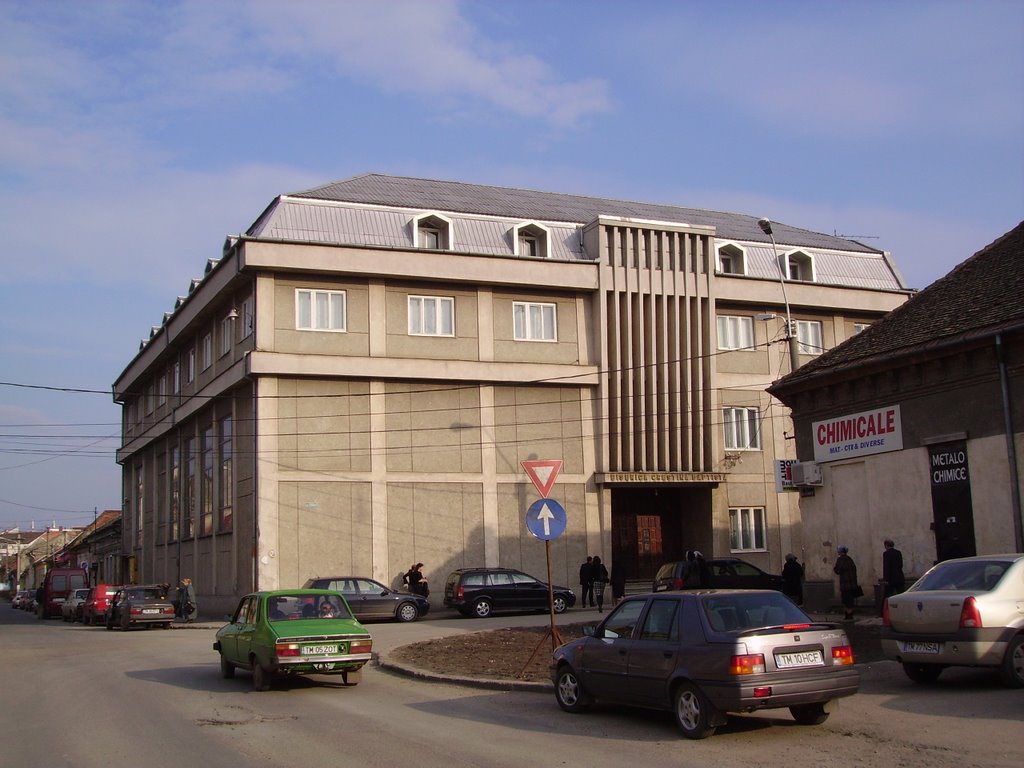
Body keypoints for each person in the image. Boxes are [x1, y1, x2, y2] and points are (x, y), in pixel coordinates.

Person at [833, 546, 860, 620]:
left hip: (845, 584)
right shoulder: (850, 559)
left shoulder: (841, 560)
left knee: (846, 600)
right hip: (852, 584)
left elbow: (837, 570)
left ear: (841, 552)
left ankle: (848, 615)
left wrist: (835, 569)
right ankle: (850, 614)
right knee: (850, 600)